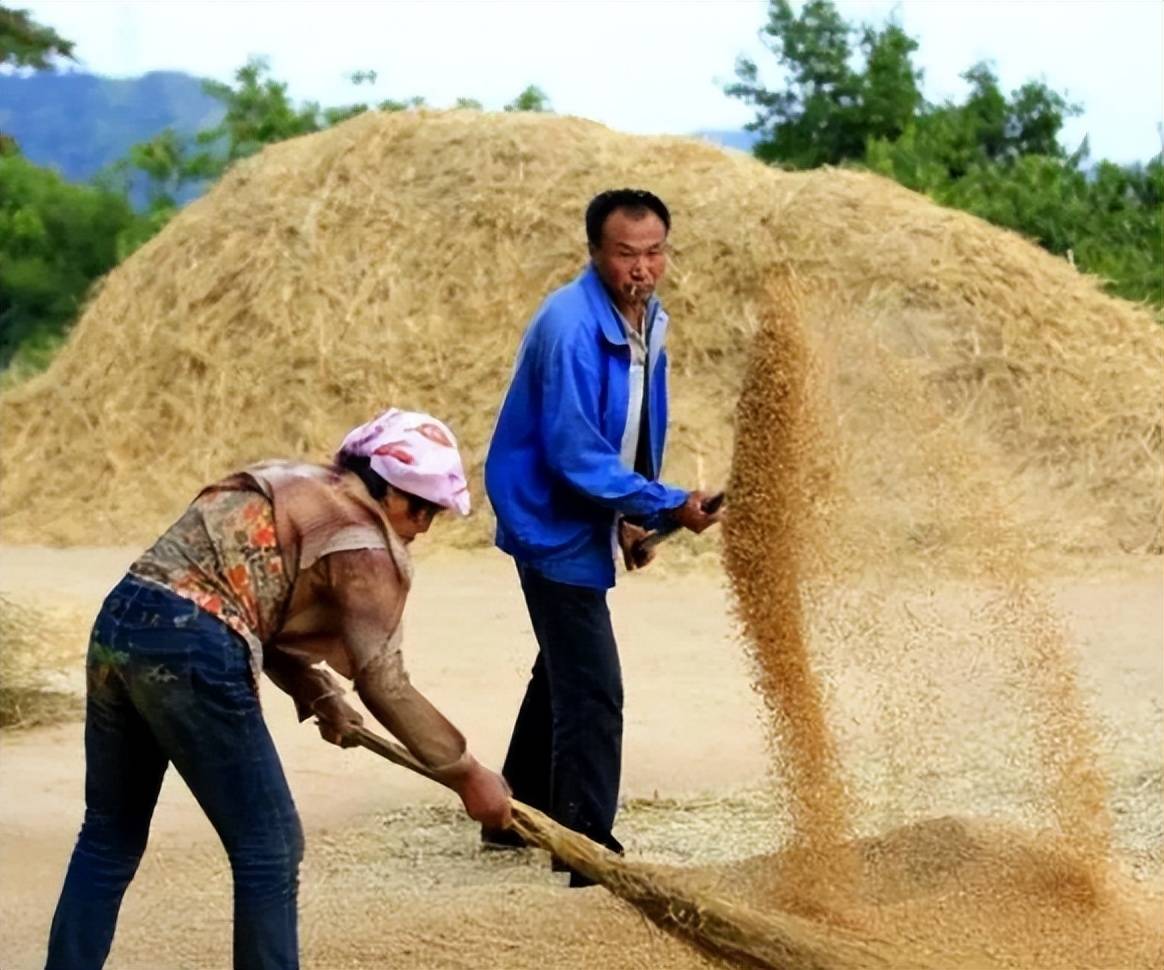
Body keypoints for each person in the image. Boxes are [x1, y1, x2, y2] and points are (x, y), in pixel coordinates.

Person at [45, 408, 511, 970]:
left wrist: (317, 692)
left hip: (119, 626)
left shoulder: (292, 483)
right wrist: (467, 775)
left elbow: (255, 597)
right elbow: (385, 682)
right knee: (270, 848)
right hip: (193, 647)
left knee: (109, 835)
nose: (424, 526)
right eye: (419, 508)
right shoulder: (364, 541)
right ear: (385, 489)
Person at [483, 188, 721, 885]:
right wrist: (669, 503)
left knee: (561, 669)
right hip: (548, 518)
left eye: (654, 253)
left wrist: (639, 516)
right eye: (625, 255)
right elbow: (575, 454)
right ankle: (584, 849)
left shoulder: (651, 321)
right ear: (594, 253)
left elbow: (632, 431)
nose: (641, 268)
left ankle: (511, 814)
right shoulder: (569, 327)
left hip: (589, 511)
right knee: (593, 688)